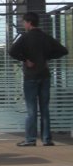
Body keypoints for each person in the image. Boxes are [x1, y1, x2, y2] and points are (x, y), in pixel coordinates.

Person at [8, 11, 68, 146]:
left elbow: (12, 51)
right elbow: (63, 50)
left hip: (30, 76)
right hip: (45, 76)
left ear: (29, 23)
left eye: (24, 22)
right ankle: (47, 139)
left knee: (31, 110)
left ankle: (30, 139)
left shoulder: (25, 37)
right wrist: (47, 57)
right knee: (44, 109)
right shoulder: (45, 37)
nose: (23, 25)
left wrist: (25, 59)